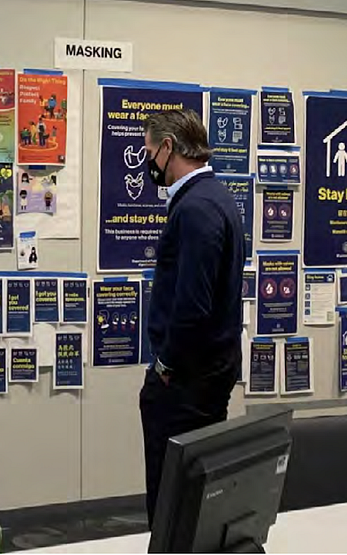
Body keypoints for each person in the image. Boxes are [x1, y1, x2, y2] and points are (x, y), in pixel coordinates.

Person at [138, 109, 245, 528]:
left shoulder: (195, 208)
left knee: (173, 502)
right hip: (206, 375)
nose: (148, 163)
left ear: (168, 148)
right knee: (193, 497)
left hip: (186, 383)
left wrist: (165, 367)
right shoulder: (217, 197)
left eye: (149, 151)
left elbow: (192, 304)